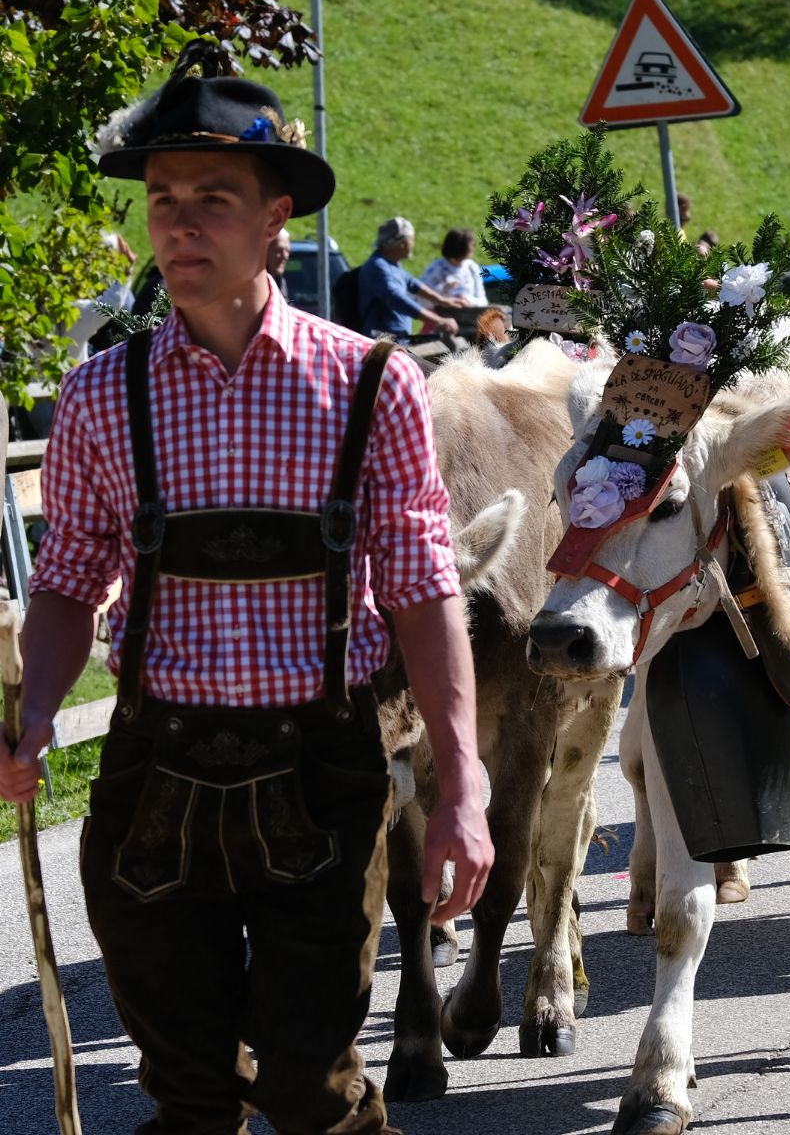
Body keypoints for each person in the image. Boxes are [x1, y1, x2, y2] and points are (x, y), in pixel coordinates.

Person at [0, 61, 494, 1134]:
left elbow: (420, 590)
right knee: (186, 1096)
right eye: (161, 201)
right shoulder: (101, 392)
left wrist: (460, 783)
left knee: (309, 1088)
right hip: (152, 772)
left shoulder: (370, 384)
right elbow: (69, 579)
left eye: (211, 200)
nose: (179, 227)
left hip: (321, 770)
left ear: (277, 217)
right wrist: (35, 711)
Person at [360, 217, 463, 346]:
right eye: (411, 240)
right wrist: (438, 320)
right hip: (381, 344)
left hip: (396, 341)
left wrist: (443, 301)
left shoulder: (392, 263)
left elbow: (412, 283)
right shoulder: (377, 266)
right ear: (401, 243)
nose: (413, 244)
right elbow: (396, 298)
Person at [420, 227, 488, 308]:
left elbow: (483, 302)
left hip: (469, 318)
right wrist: (444, 290)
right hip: (440, 318)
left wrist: (467, 301)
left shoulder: (472, 267)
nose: (473, 247)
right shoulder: (436, 268)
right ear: (459, 247)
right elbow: (420, 299)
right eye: (471, 244)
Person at [266, 226, 292, 296]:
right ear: (264, 251)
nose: (285, 256)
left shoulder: (279, 281)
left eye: (287, 251)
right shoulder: (258, 285)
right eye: (278, 251)